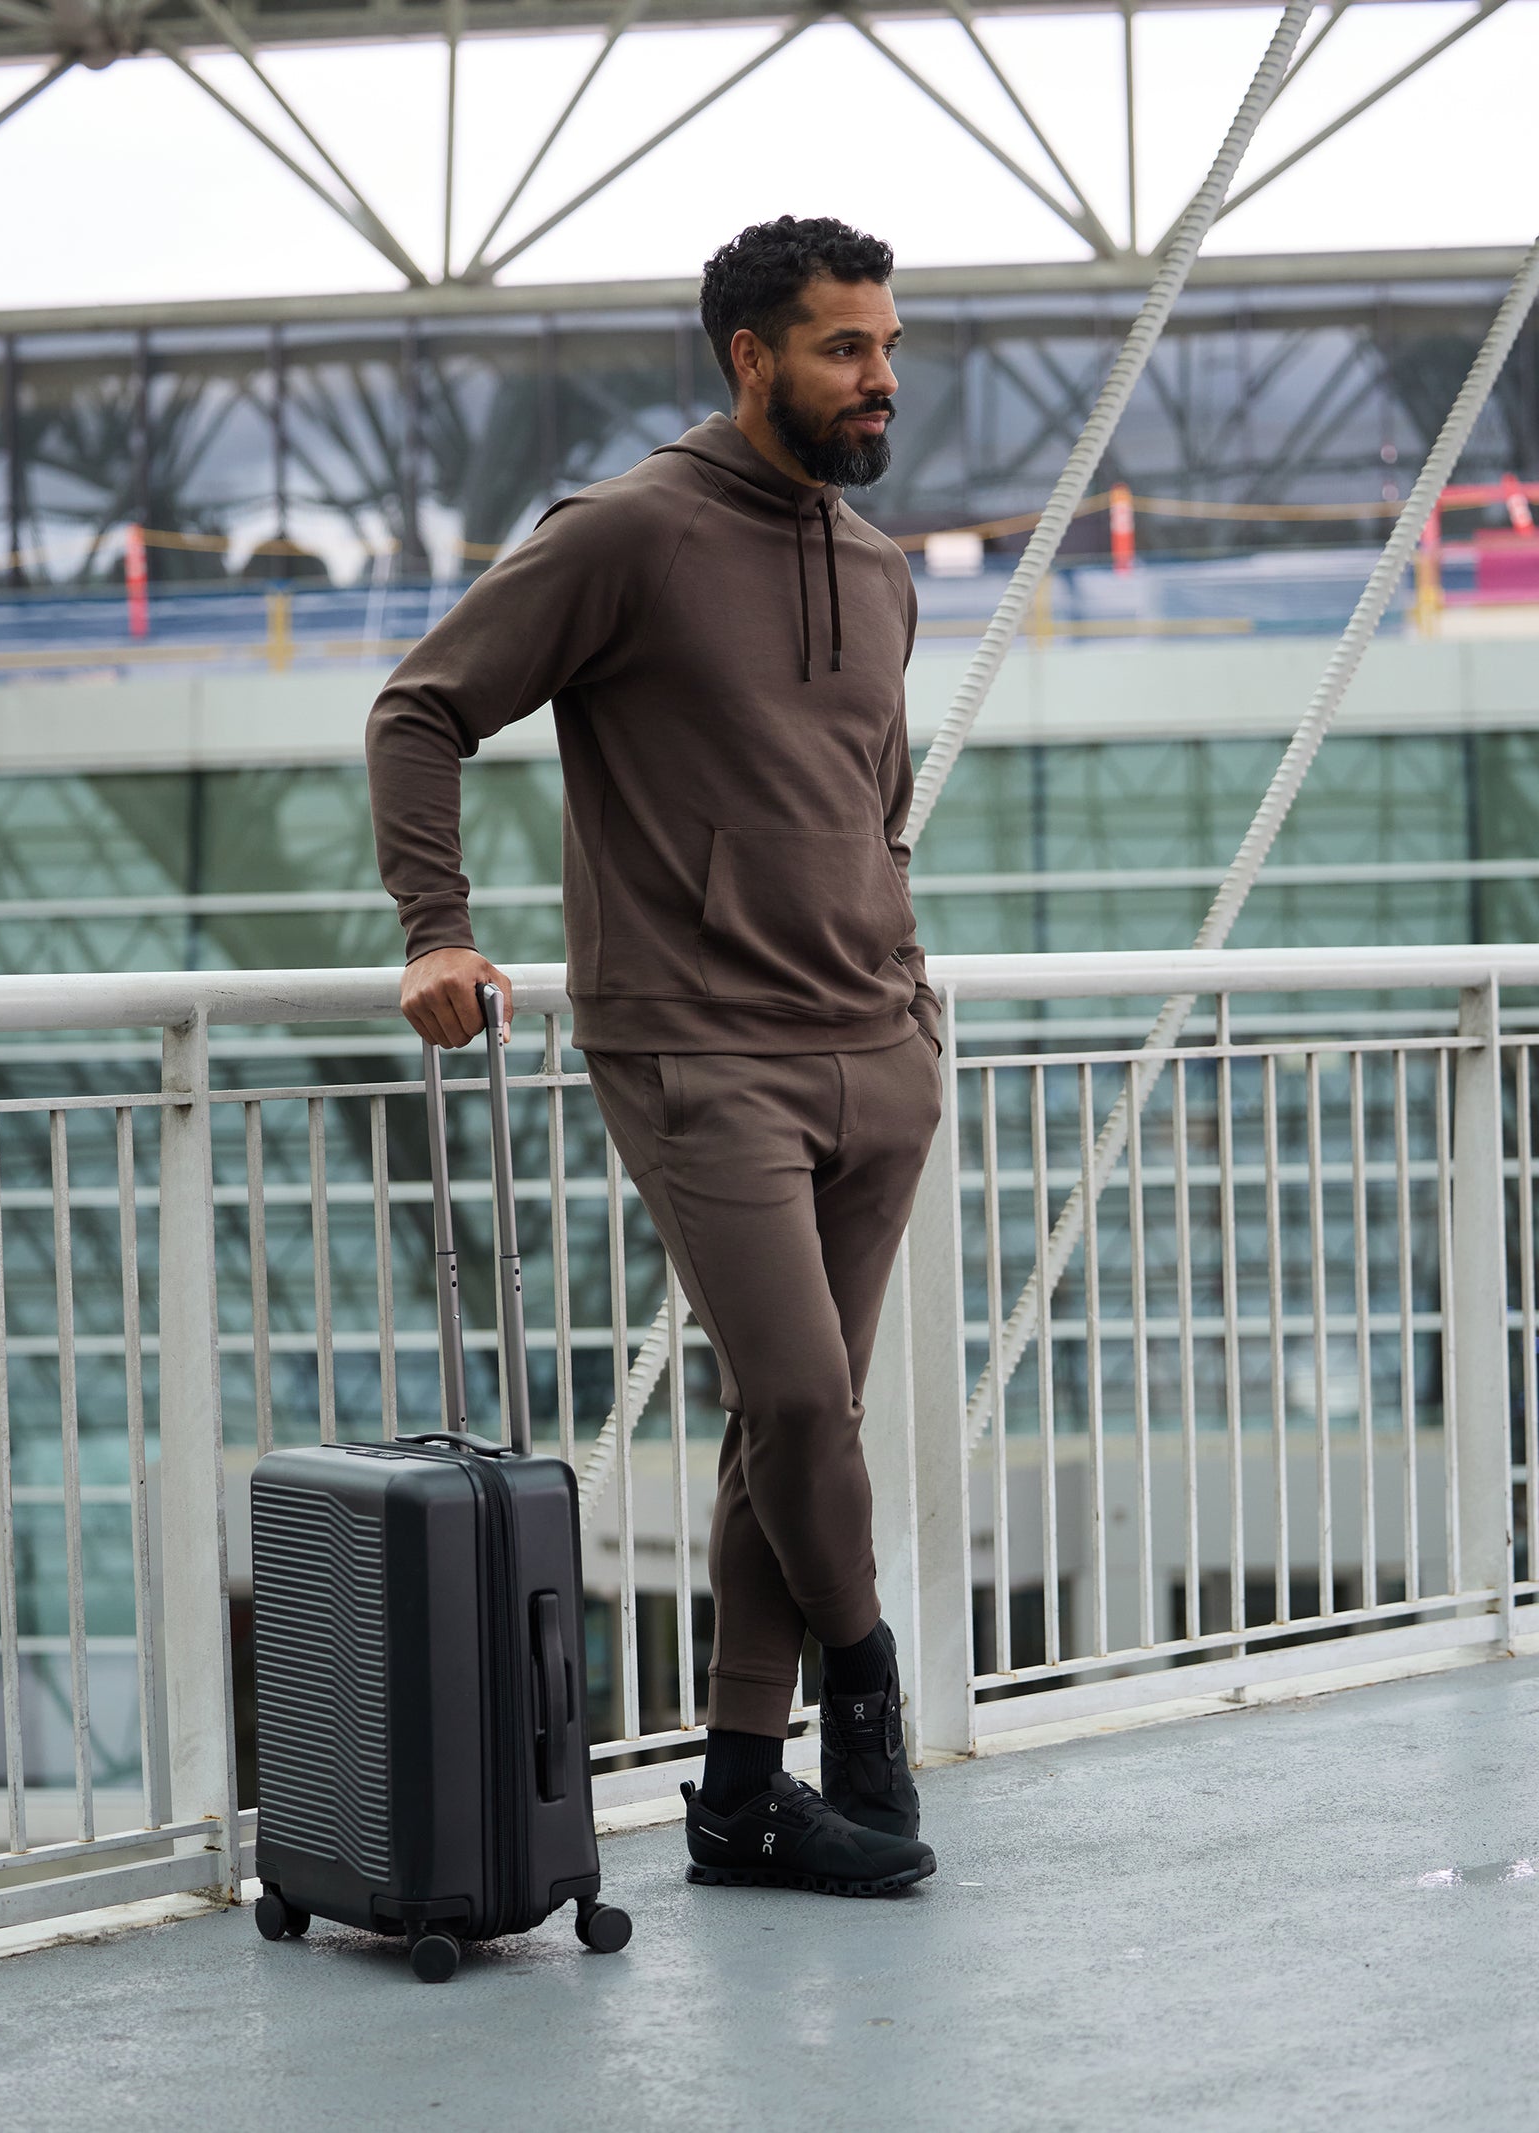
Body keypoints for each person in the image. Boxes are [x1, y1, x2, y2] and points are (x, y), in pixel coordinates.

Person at [366, 215, 942, 1898]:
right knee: (795, 1398)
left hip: (879, 1048)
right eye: (845, 347)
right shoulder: (626, 537)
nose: (880, 377)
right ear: (751, 357)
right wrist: (437, 931)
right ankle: (869, 1695)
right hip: (700, 1051)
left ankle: (741, 1795)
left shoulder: (883, 568)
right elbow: (422, 707)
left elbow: (868, 813)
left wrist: (905, 1004)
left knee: (791, 1435)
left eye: (890, 344)